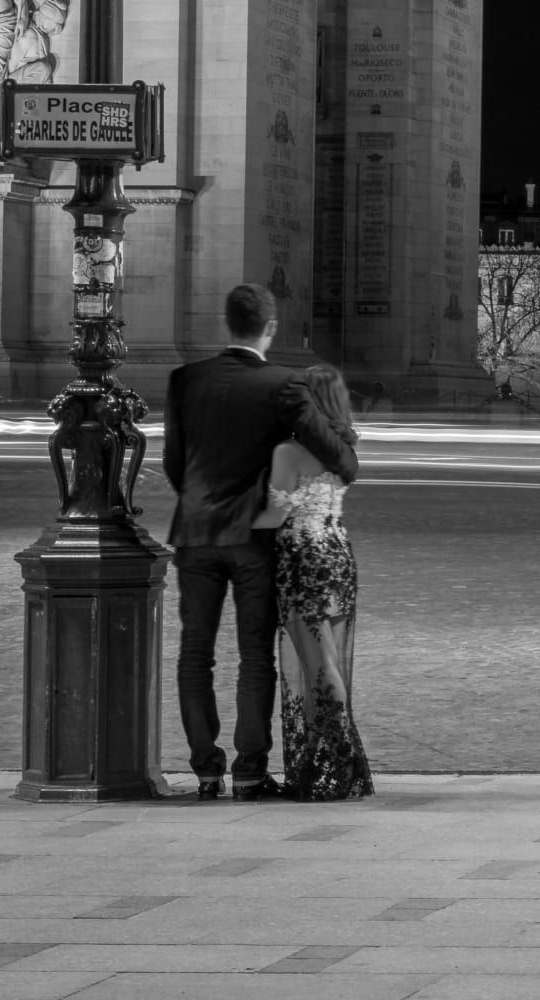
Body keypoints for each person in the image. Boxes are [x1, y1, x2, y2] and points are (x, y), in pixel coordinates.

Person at [163, 284, 359, 802]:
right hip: (254, 539)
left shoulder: (185, 379)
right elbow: (339, 457)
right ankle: (250, 772)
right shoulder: (283, 384)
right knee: (254, 656)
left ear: (225, 323)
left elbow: (173, 463)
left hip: (195, 533)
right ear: (270, 327)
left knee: (194, 655)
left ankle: (206, 770)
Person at [254, 365, 374, 802]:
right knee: (327, 663)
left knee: (317, 666)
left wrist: (225, 520)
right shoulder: (343, 449)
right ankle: (320, 767)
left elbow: (275, 514)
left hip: (303, 560)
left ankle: (340, 766)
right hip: (338, 553)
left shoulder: (290, 452)